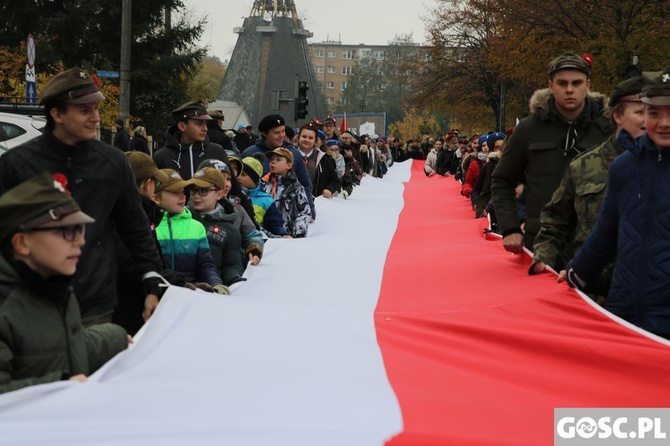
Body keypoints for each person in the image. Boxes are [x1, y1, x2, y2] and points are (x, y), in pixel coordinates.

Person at [0, 67, 163, 326]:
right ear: (57, 114)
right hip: (30, 307)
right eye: (85, 110)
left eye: (96, 109)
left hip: (95, 306)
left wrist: (153, 280)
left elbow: (135, 228)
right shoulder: (17, 164)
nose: (96, 118)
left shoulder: (113, 163)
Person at [561, 68, 670, 339]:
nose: (663, 122)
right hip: (624, 312)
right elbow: (605, 234)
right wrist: (577, 272)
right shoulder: (623, 167)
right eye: (654, 113)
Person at [0, 173, 130, 394]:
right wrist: (60, 387)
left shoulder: (55, 288)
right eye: (67, 231)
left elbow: (62, 347)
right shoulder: (6, 306)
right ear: (22, 243)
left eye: (80, 229)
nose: (81, 241)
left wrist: (114, 338)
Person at [532, 76, 646, 298]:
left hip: (647, 291)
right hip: (590, 293)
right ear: (618, 115)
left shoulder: (660, 166)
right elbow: (556, 219)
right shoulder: (583, 166)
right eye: (640, 112)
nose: (649, 120)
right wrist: (543, 258)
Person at [491, 53, 612, 253]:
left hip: (597, 244)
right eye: (562, 83)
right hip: (541, 243)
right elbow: (502, 180)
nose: (570, 90)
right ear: (550, 85)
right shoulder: (529, 129)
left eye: (577, 83)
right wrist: (510, 227)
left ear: (588, 85)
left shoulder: (608, 128)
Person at [153, 169, 230, 294]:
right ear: (155, 197)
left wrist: (216, 283)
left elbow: (205, 264)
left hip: (189, 296)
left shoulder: (197, 227)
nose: (182, 196)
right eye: (174, 192)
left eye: (183, 191)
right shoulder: (149, 226)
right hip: (156, 296)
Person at [187, 167, 264, 285]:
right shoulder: (180, 219)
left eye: (203, 191)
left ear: (219, 194)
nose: (196, 196)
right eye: (193, 190)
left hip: (213, 288)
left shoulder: (230, 229)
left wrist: (235, 282)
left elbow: (232, 266)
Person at [241, 114, 315, 218]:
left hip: (287, 214)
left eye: (283, 131)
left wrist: (310, 210)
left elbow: (305, 184)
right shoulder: (250, 153)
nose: (282, 135)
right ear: (264, 133)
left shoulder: (294, 154)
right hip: (257, 212)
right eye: (277, 133)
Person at [259, 148, 311, 238]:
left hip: (287, 237)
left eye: (278, 160)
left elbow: (304, 212)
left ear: (289, 165)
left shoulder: (296, 187)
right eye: (272, 159)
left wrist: (297, 235)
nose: (273, 162)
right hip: (264, 235)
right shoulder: (262, 184)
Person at [238, 156, 289, 237]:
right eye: (238, 173)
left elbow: (274, 223)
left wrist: (282, 234)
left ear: (254, 179)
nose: (238, 177)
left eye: (243, 175)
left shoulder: (266, 200)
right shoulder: (232, 194)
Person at [297, 122, 341, 199]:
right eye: (304, 136)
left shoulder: (324, 159)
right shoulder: (288, 155)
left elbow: (335, 181)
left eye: (310, 138)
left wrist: (329, 189)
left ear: (315, 140)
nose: (306, 140)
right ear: (298, 137)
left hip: (315, 201)